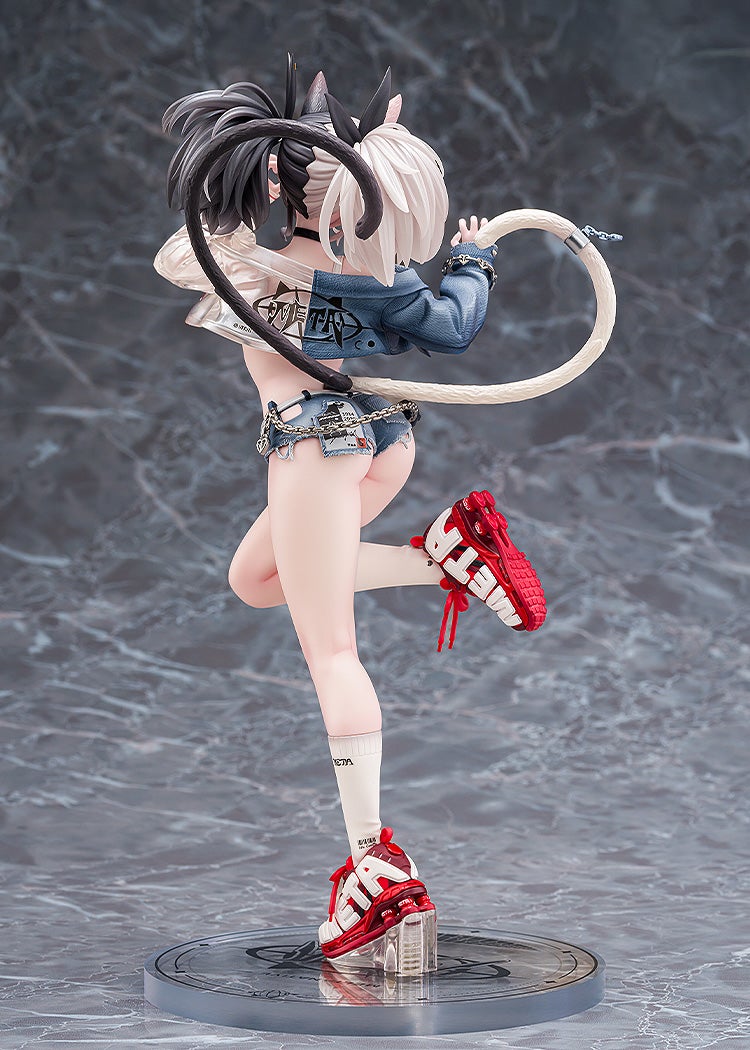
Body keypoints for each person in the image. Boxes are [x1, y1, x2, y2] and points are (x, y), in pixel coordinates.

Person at [155, 56, 545, 973]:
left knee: (333, 654)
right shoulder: (373, 278)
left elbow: (190, 243)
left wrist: (255, 176)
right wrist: (472, 261)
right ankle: (447, 552)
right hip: (376, 441)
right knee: (257, 581)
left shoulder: (254, 265)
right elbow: (451, 326)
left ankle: (374, 866)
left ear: (283, 180)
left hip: (313, 453)